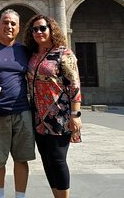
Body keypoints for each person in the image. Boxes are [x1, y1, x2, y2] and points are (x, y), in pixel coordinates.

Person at [24, 14, 82, 198]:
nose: (39, 32)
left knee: (57, 160)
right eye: (35, 29)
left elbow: (74, 85)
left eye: (43, 28)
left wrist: (76, 114)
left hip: (59, 115)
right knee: (47, 160)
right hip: (38, 116)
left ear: (51, 30)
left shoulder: (64, 54)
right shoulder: (35, 54)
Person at [0, 10, 35, 198]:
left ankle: (20, 197)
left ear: (19, 28)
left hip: (22, 111)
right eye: (5, 22)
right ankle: (0, 196)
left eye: (13, 23)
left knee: (22, 159)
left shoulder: (25, 51)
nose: (9, 26)